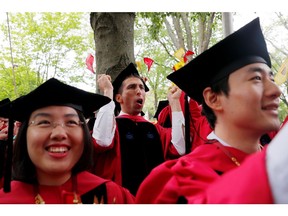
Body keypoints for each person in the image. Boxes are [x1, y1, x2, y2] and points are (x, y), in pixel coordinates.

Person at [135, 17, 287, 204]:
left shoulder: (280, 162)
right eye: (256, 78)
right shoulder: (178, 181)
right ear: (213, 98)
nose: (276, 90)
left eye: (271, 79)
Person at [0, 78, 135, 204]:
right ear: (24, 134)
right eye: (44, 122)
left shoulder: (112, 196)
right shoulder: (6, 201)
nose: (59, 133)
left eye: (71, 122)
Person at [92, 63, 185, 196]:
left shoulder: (154, 128)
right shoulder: (112, 127)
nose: (139, 91)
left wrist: (175, 102)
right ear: (118, 98)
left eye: (141, 87)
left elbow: (180, 148)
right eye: (132, 87)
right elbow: (102, 142)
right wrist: (107, 91)